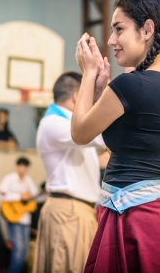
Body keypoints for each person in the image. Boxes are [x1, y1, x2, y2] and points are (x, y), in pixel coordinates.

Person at [72, 0, 160, 273]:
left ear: (147, 30)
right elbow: (133, 141)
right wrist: (101, 92)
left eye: (118, 29)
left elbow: (80, 133)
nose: (111, 41)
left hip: (135, 222)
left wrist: (87, 74)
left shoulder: (130, 85)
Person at [33, 72, 107, 273]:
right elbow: (101, 137)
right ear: (77, 96)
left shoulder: (65, 124)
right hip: (68, 213)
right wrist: (106, 100)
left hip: (76, 212)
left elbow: (95, 160)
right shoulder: (54, 123)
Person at [0, 156, 38, 273]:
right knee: (18, 249)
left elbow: (34, 196)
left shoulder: (28, 180)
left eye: (25, 167)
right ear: (17, 167)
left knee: (24, 251)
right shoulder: (9, 179)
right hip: (14, 218)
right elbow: (1, 195)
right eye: (21, 166)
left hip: (25, 219)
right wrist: (19, 197)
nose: (23, 169)